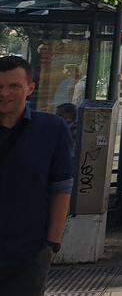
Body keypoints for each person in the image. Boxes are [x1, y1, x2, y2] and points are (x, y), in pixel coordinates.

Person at [0, 56, 73, 295]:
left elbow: (61, 187)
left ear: (30, 88)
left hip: (28, 252)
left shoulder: (52, 129)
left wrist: (51, 243)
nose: (5, 93)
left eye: (14, 86)